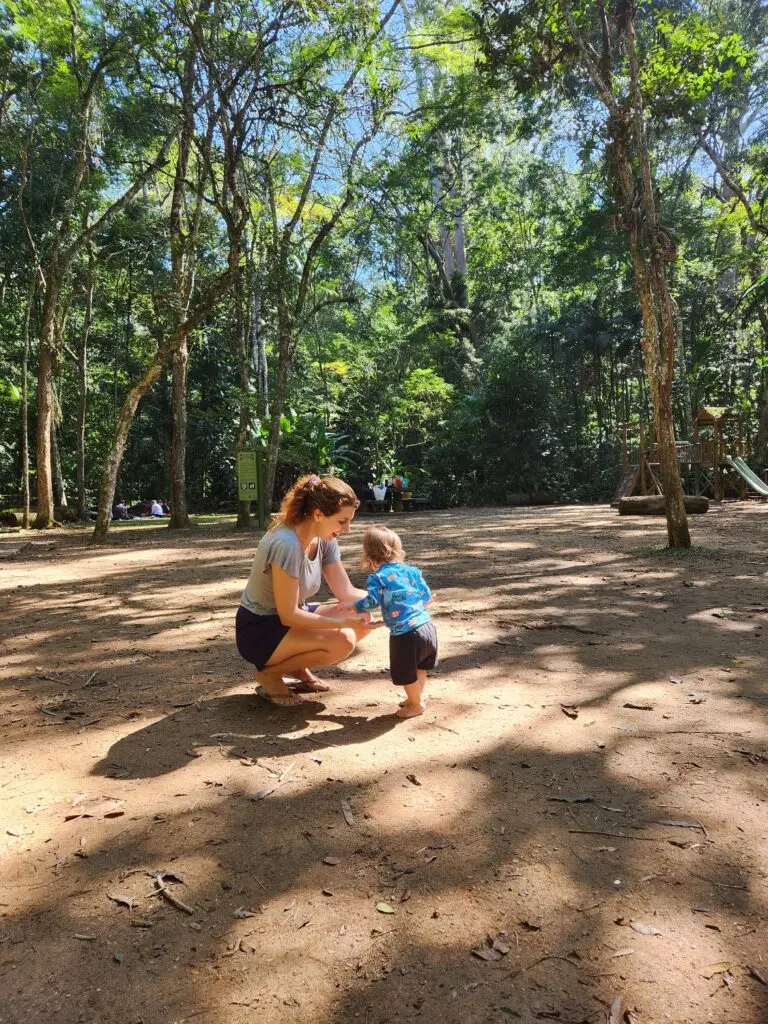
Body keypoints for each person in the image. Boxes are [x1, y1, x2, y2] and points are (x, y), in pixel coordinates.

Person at [235, 474, 381, 706]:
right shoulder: (287, 543)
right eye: (342, 521)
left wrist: (395, 599)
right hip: (260, 629)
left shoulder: (325, 539)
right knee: (342, 640)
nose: (347, 529)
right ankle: (270, 675)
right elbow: (289, 614)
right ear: (318, 515)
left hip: (290, 622)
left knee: (362, 612)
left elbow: (346, 592)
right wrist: (341, 624)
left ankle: (297, 668)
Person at [350, 525, 437, 719]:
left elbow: (372, 601)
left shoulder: (378, 577)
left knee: (405, 671)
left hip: (406, 634)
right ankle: (416, 697)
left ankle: (416, 704)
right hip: (427, 627)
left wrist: (354, 607)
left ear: (369, 557)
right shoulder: (412, 571)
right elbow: (426, 595)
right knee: (419, 666)